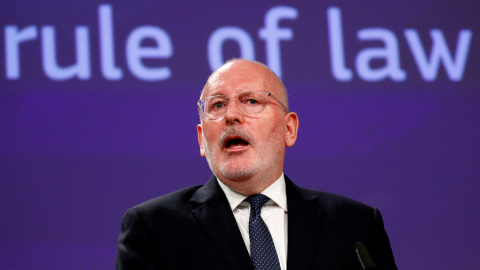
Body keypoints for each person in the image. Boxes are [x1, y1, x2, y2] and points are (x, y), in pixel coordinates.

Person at [115, 59, 397, 270]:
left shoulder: (356, 226)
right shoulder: (154, 228)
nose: (232, 115)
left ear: (289, 129)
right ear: (202, 139)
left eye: (251, 101)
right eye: (217, 105)